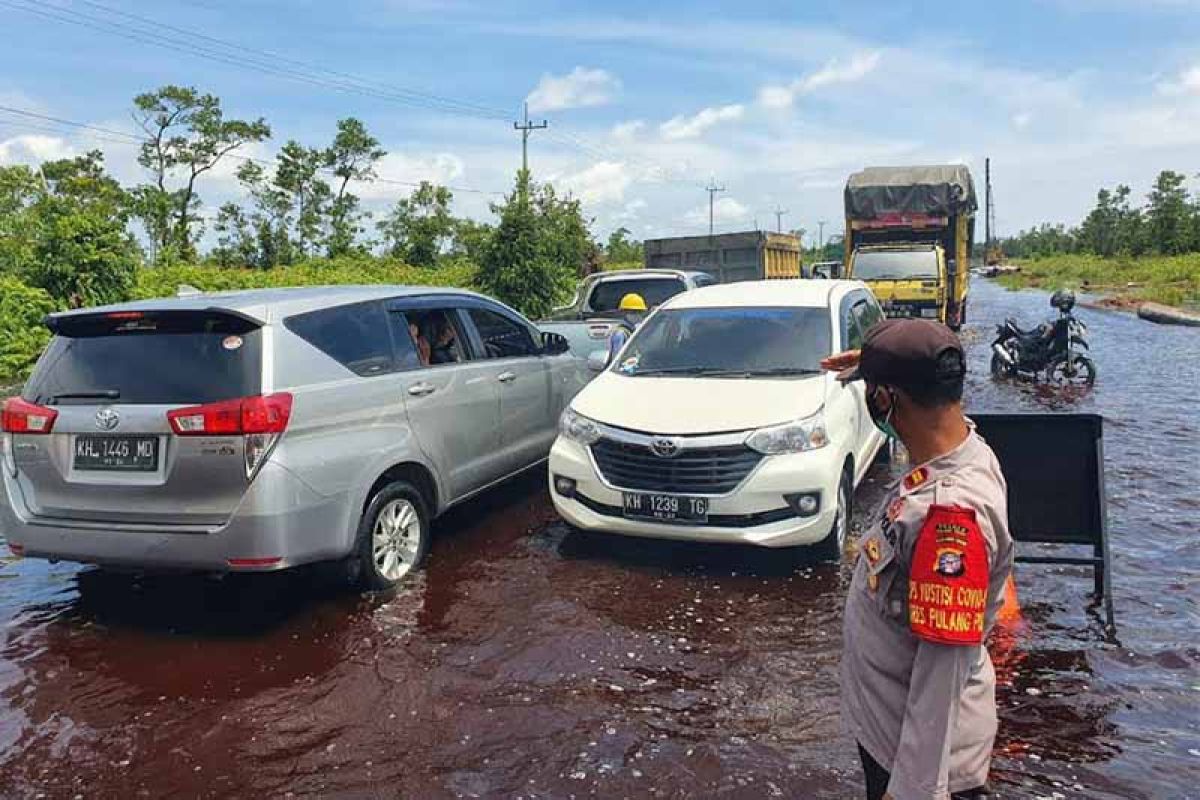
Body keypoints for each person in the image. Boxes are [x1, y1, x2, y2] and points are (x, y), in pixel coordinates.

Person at [820, 318, 1014, 800]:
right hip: (889, 724)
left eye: (875, 393)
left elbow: (942, 671)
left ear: (889, 400)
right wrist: (876, 367)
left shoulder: (948, 515)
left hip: (920, 759)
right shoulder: (960, 444)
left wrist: (913, 790)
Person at [606, 292, 648, 363]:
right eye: (634, 312)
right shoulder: (620, 334)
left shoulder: (633, 330)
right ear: (624, 312)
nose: (638, 315)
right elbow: (617, 359)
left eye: (640, 312)